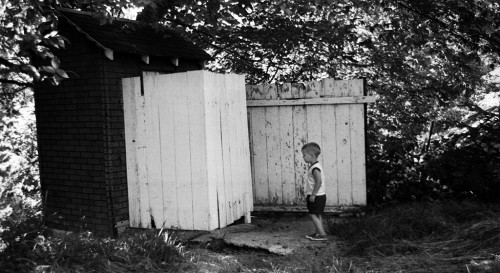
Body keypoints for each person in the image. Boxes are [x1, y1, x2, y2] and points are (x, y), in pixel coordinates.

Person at [301, 142, 327, 241]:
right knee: (317, 214)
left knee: (313, 214)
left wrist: (313, 194)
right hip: (320, 195)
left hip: (316, 196)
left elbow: (318, 181)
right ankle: (317, 233)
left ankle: (323, 235)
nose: (303, 157)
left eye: (304, 155)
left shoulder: (315, 168)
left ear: (311, 156)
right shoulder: (315, 166)